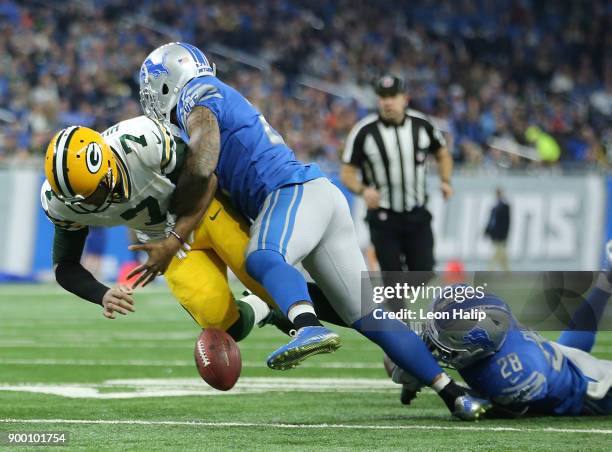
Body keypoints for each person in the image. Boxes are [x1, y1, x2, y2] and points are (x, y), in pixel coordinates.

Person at [135, 42, 490, 420]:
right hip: (318, 199)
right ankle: (455, 394)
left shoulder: (196, 94)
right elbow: (208, 183)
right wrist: (175, 239)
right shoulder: (212, 95)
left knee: (262, 256)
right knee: (369, 316)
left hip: (291, 192)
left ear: (166, 83)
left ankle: (305, 326)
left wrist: (170, 216)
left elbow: (203, 162)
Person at [41, 116, 293, 341]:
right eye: (78, 199)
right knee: (222, 326)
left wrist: (173, 240)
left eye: (92, 192)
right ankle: (262, 308)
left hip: (204, 213)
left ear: (107, 168)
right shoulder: (62, 202)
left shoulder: (140, 143)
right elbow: (65, 265)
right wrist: (102, 294)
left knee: (274, 282)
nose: (88, 203)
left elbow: (206, 178)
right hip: (163, 242)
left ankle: (310, 320)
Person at [393, 241, 612, 416]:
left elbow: (487, 407)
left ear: (474, 346)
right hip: (559, 361)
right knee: (573, 355)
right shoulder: (493, 329)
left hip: (596, 393)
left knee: (582, 368)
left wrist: (434, 381)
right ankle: (607, 276)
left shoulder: (514, 371)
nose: (435, 336)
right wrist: (416, 365)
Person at [341, 74, 454, 279]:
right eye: (383, 96)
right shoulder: (364, 131)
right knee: (392, 280)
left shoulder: (423, 125)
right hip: (383, 219)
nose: (388, 101)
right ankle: (394, 309)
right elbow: (347, 172)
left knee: (424, 275)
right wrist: (363, 190)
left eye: (393, 95)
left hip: (417, 215)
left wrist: (445, 181)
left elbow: (443, 154)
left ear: (405, 98)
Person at [485, 188, 511, 271]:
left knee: (496, 254)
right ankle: (507, 272)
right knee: (502, 255)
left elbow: (507, 223)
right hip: (494, 235)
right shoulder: (494, 207)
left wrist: (505, 235)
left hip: (500, 235)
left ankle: (489, 270)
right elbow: (491, 221)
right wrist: (487, 231)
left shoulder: (505, 207)